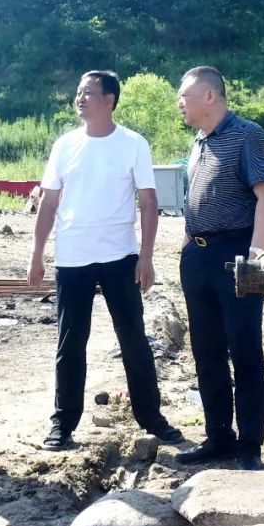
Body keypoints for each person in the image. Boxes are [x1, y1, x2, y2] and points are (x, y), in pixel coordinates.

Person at [28, 70, 184, 451]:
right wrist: (37, 254)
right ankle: (63, 423)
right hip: (73, 258)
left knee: (133, 339)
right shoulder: (65, 145)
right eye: (78, 92)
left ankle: (151, 417)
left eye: (88, 92)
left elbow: (149, 203)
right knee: (70, 342)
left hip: (120, 256)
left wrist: (146, 257)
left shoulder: (133, 144)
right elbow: (48, 203)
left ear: (109, 100)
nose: (80, 98)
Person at [174, 66, 264, 471]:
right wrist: (187, 245)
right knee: (207, 352)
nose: (179, 104)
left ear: (209, 96)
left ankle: (250, 445)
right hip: (198, 256)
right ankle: (218, 438)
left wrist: (256, 257)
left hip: (236, 255)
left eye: (184, 96)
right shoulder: (199, 141)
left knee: (244, 350)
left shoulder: (248, 134)